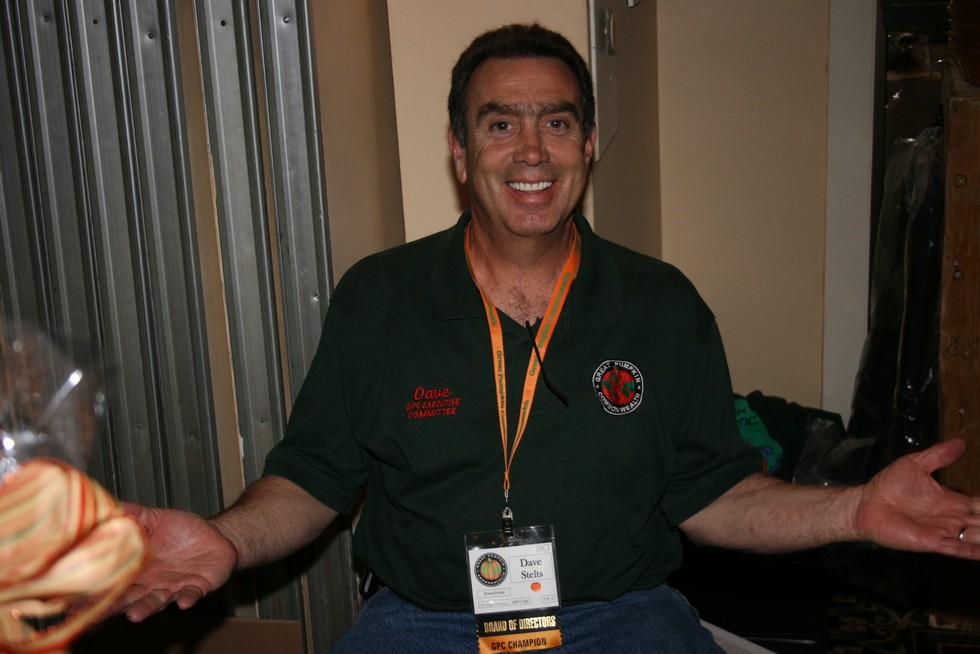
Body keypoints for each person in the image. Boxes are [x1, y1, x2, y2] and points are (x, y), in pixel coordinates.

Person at [112, 23, 980, 653]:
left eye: (557, 122)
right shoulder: (380, 298)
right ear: (461, 151)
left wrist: (851, 510)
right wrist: (228, 539)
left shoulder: (662, 305)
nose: (532, 151)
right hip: (425, 620)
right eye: (500, 124)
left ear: (589, 144)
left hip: (622, 616)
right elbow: (313, 478)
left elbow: (714, 495)